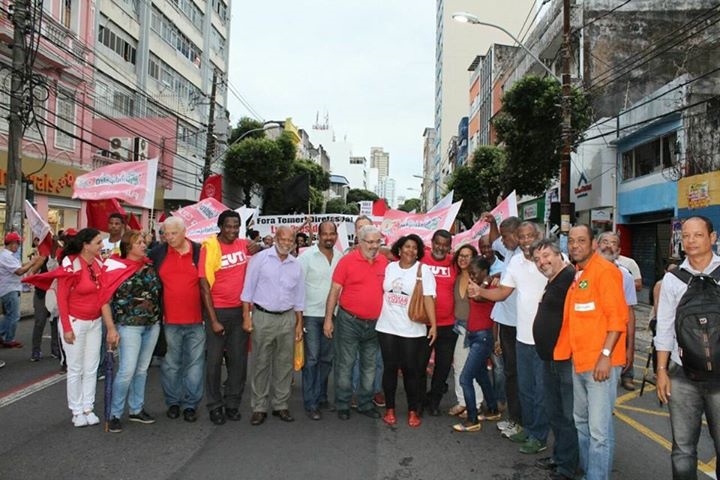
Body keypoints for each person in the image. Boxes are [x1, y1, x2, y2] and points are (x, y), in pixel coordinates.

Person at [555, 224, 628, 480]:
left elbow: (618, 319)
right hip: (580, 362)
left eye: (581, 240)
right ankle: (588, 474)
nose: (575, 245)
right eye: (572, 241)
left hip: (600, 365)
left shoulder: (605, 272)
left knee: (599, 433)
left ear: (593, 244)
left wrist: (605, 356)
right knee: (582, 425)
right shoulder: (580, 273)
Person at [473, 222, 549, 455]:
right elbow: (503, 292)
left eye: (530, 236)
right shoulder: (515, 261)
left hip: (544, 337)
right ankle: (528, 428)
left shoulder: (551, 258)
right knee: (524, 387)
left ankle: (539, 436)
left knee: (540, 389)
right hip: (521, 336)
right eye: (522, 236)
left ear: (539, 236)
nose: (526, 240)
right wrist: (481, 292)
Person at [656, 216, 720, 479]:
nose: (691, 241)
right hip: (682, 375)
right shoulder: (674, 279)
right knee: (683, 449)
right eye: (686, 236)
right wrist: (661, 370)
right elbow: (665, 327)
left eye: (698, 235)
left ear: (712, 238)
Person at [241, 226, 305, 426]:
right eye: (283, 239)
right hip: (263, 317)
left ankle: (280, 405)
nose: (286, 243)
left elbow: (299, 297)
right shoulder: (260, 259)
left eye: (290, 240)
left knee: (285, 364)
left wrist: (298, 323)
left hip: (287, 318)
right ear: (276, 238)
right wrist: (246, 316)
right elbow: (247, 290)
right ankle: (259, 407)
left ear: (294, 242)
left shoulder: (296, 265)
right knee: (260, 363)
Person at [324, 225, 388, 421]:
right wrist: (328, 319)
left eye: (377, 242)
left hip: (375, 324)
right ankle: (343, 403)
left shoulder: (384, 262)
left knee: (369, 366)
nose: (374, 246)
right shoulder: (347, 261)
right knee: (345, 364)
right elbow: (334, 291)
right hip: (349, 321)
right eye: (370, 241)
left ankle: (365, 403)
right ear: (359, 242)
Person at [199, 210, 257, 425]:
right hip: (217, 311)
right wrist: (213, 320)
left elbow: (261, 252)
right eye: (228, 226)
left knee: (238, 362)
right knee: (213, 363)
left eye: (236, 226)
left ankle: (232, 403)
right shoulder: (210, 248)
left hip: (240, 311)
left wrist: (258, 245)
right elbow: (204, 287)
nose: (232, 230)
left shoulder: (245, 245)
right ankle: (214, 405)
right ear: (220, 227)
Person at [103, 231, 162, 433]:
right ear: (128, 246)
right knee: (127, 371)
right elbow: (104, 299)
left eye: (144, 242)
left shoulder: (150, 265)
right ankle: (115, 414)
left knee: (142, 369)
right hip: (129, 326)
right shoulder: (115, 267)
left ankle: (136, 409)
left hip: (152, 324)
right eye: (139, 242)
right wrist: (111, 328)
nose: (144, 245)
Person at [376, 234, 437, 428]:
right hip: (386, 326)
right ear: (399, 249)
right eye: (407, 246)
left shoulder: (423, 270)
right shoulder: (389, 267)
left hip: (412, 329)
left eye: (414, 248)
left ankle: (412, 411)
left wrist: (433, 325)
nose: (410, 250)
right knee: (390, 369)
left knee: (412, 371)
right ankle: (390, 410)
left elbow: (428, 298)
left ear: (418, 252)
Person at [530, 238, 578, 480]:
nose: (542, 262)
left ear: (560, 255)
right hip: (548, 358)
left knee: (568, 415)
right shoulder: (554, 281)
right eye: (538, 259)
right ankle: (561, 458)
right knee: (555, 412)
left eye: (546, 256)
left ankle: (569, 468)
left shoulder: (570, 277)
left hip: (565, 359)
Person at [149, 216, 204, 423]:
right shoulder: (157, 253)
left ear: (184, 232)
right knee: (170, 364)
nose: (169, 237)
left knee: (195, 364)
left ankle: (190, 404)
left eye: (173, 233)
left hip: (197, 321)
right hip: (169, 320)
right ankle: (173, 402)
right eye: (166, 233)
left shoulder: (199, 251)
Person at [57, 228, 105, 427]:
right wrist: (67, 327)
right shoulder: (71, 263)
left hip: (95, 322)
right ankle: (76, 411)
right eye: (98, 242)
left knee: (91, 368)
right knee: (76, 368)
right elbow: (61, 296)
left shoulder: (101, 263)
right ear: (86, 245)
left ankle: (88, 407)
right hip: (75, 322)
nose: (102, 246)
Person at [483, 215, 523, 438]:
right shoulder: (509, 251)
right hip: (506, 323)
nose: (503, 241)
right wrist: (492, 224)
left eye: (507, 237)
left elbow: (503, 292)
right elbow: (495, 238)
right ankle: (514, 418)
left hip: (518, 326)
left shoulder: (522, 257)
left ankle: (519, 421)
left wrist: (480, 292)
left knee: (516, 376)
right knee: (510, 374)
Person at [297, 221, 342, 420]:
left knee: (326, 359)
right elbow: (297, 289)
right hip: (311, 316)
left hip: (333, 316)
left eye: (332, 234)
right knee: (313, 359)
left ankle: (322, 396)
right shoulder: (306, 257)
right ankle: (311, 402)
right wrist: (299, 320)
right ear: (318, 235)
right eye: (325, 234)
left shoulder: (341, 258)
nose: (329, 237)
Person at [453, 256, 499, 432]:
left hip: (483, 337)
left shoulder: (490, 288)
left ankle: (472, 420)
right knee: (481, 375)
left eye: (474, 273)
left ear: (485, 272)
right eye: (470, 273)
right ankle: (493, 409)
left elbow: (479, 298)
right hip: (474, 336)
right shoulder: (481, 284)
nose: (471, 276)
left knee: (465, 378)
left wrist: (485, 282)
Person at [419, 229, 457, 416]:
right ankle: (418, 401)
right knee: (419, 365)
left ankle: (434, 402)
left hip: (448, 324)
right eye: (438, 243)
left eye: (445, 245)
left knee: (442, 367)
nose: (441, 247)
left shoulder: (454, 262)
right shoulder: (421, 257)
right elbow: (393, 252)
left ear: (449, 246)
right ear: (431, 243)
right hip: (423, 323)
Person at [597, 231, 638, 392]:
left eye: (613, 243)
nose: (608, 245)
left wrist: (630, 348)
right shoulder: (582, 272)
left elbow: (629, 312)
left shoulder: (625, 276)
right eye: (605, 241)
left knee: (605, 397)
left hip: (614, 344)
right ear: (596, 246)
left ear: (619, 251)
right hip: (587, 345)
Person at [449, 244, 483, 418]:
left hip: (474, 328)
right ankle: (463, 401)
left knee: (471, 368)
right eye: (461, 255)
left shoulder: (478, 278)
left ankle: (474, 404)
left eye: (468, 256)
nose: (463, 259)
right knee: (459, 366)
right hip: (458, 327)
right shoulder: (455, 276)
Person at [0, 232, 45, 348]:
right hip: (9, 289)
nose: (18, 246)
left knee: (9, 315)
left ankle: (7, 337)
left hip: (11, 288)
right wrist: (33, 262)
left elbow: (20, 266)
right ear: (12, 243)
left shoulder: (9, 256)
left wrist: (32, 262)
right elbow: (19, 271)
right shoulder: (6, 256)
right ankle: (7, 337)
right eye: (17, 244)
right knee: (14, 316)